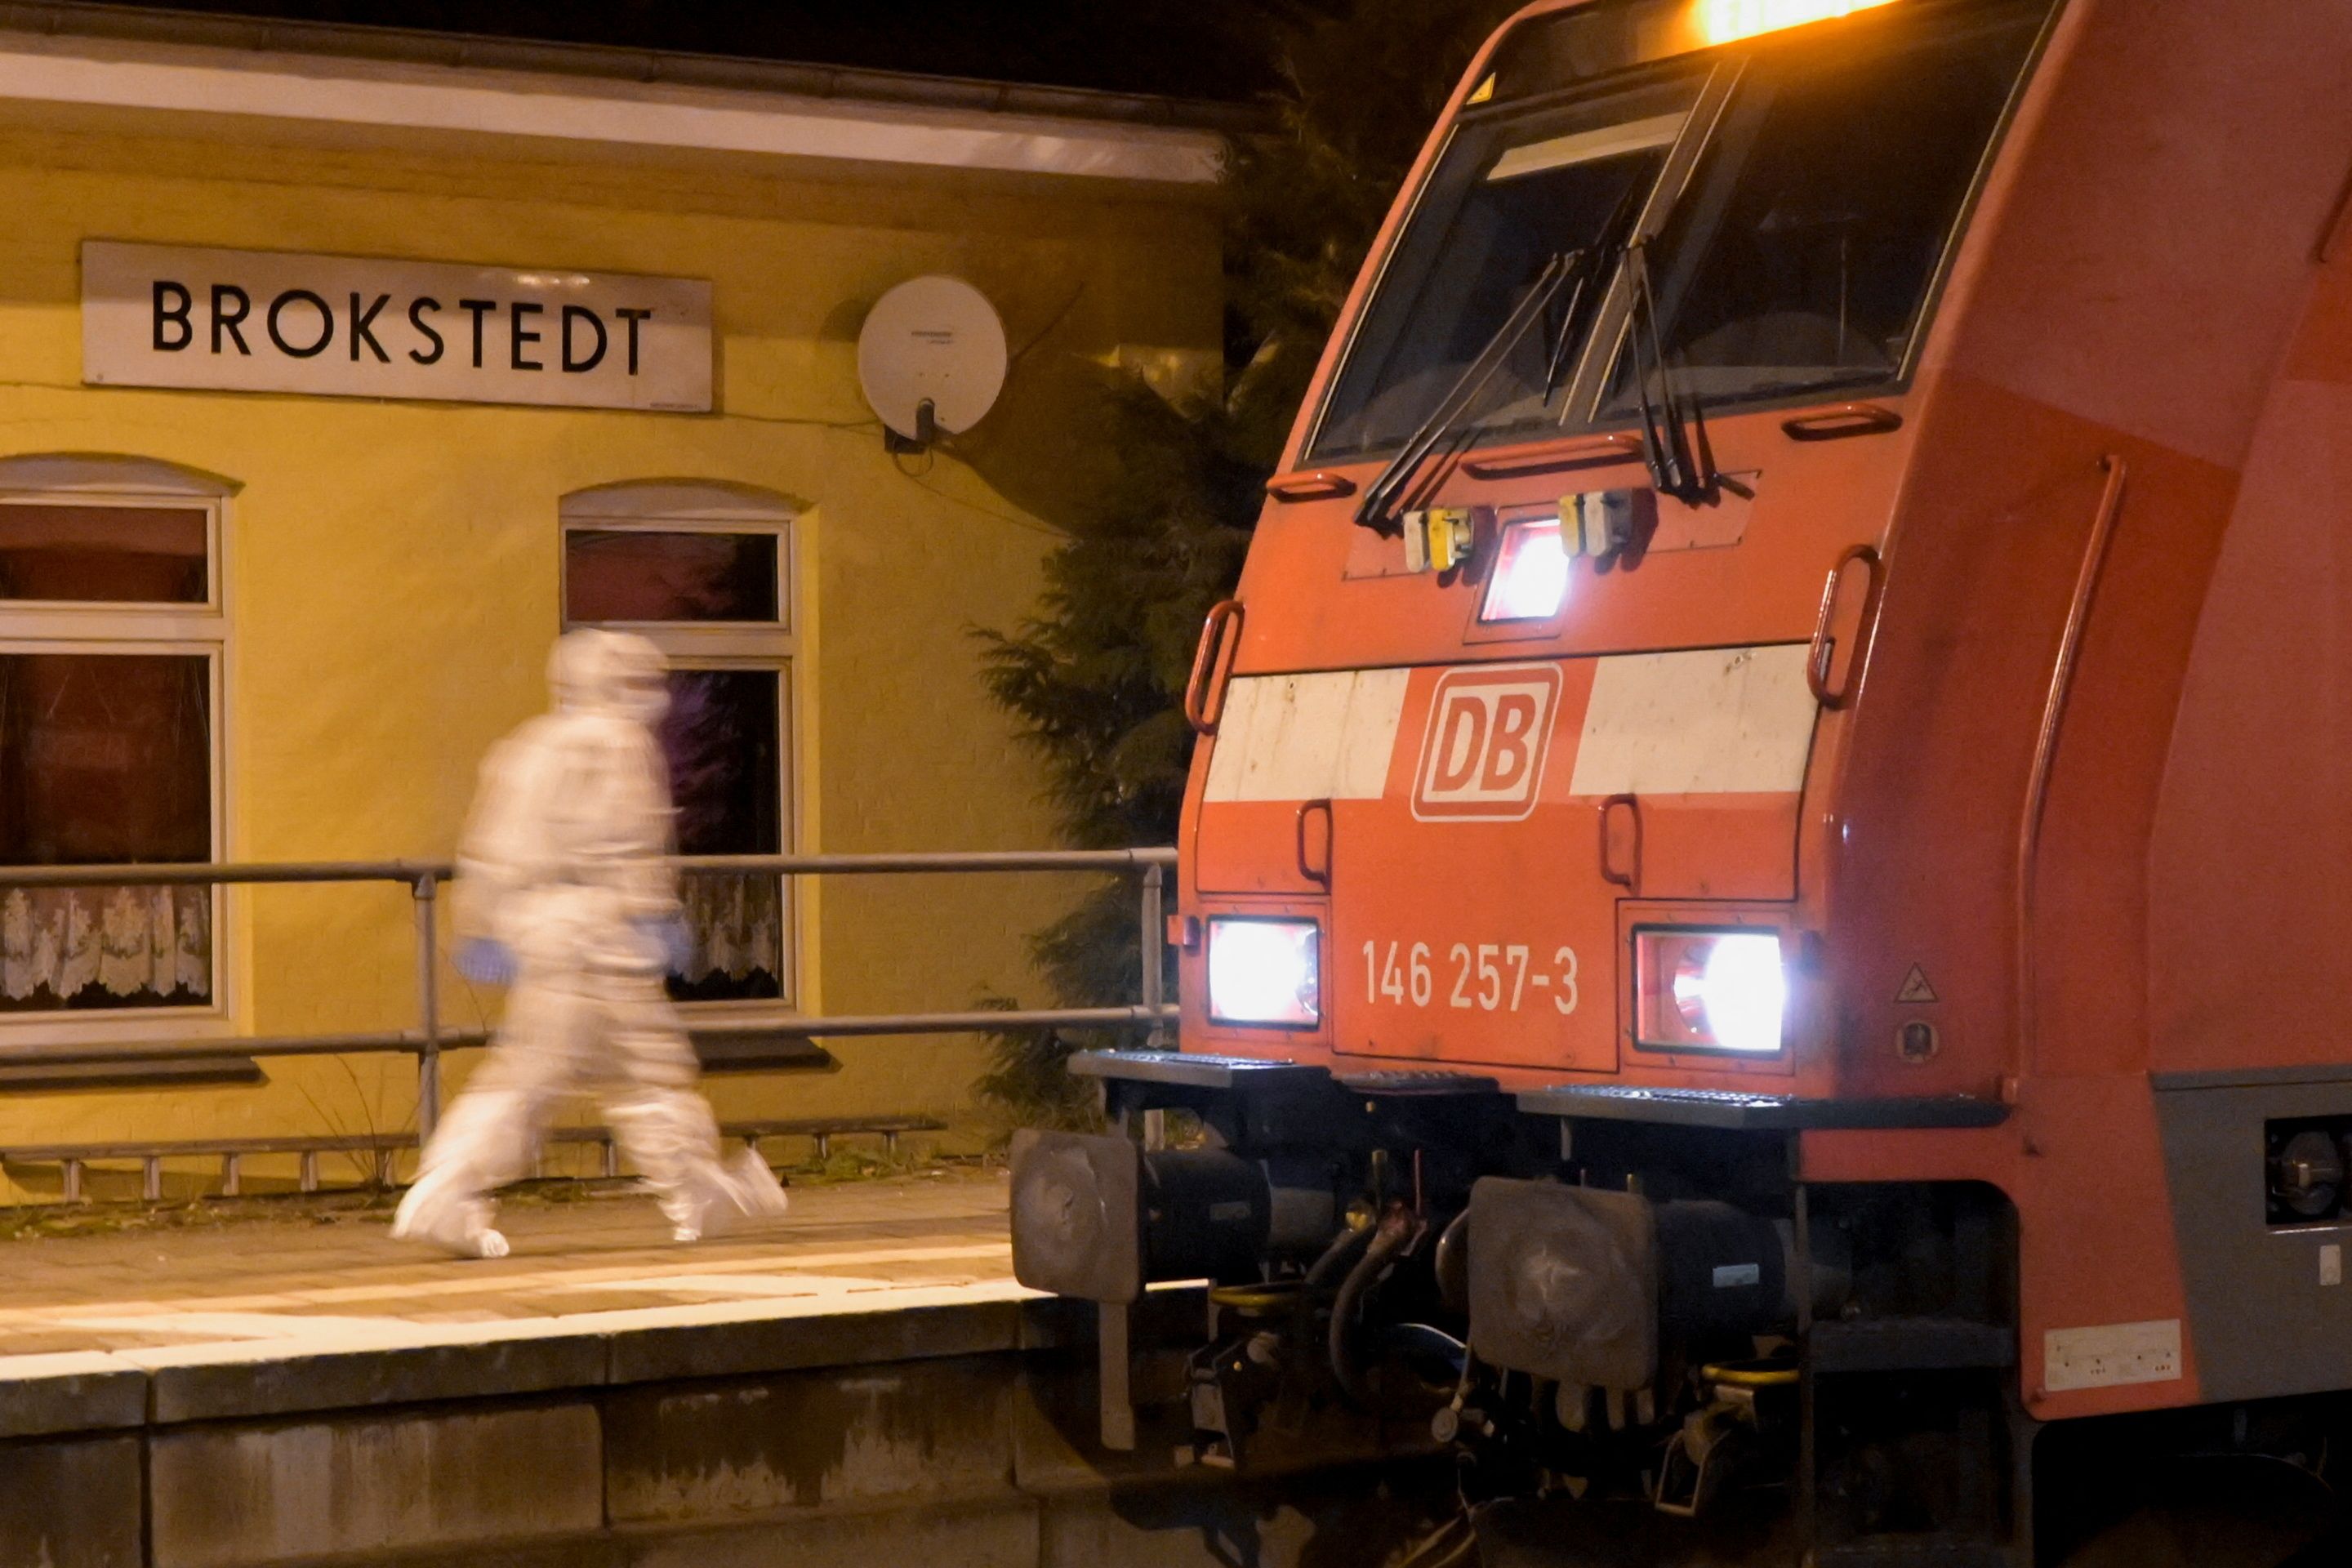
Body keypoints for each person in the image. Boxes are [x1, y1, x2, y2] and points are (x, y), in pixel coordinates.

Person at [392, 628, 790, 1258]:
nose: (652, 699)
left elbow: (494, 845)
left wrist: (489, 920)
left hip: (549, 933)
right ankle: (451, 1188)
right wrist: (654, 914)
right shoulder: (616, 746)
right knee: (599, 1075)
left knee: (602, 1075)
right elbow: (631, 844)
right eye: (639, 682)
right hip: (600, 941)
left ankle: (693, 1188)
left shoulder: (533, 746)